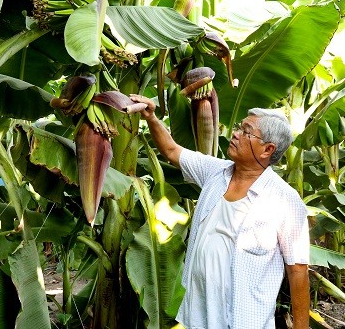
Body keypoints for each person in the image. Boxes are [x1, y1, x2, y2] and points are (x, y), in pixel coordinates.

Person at [130, 94, 310, 329]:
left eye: (246, 131)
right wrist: (151, 117)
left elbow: (298, 270)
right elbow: (172, 150)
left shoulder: (284, 199)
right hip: (197, 313)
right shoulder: (216, 172)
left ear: (268, 149)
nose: (235, 134)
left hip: (244, 320)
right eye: (239, 127)